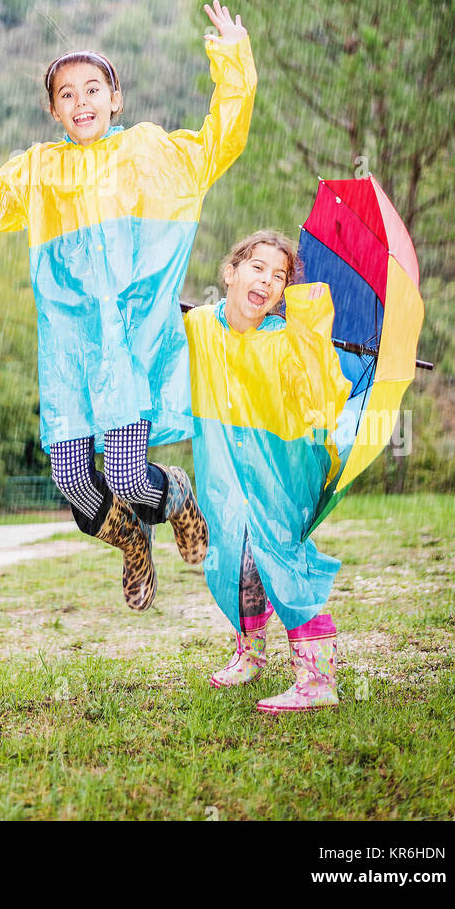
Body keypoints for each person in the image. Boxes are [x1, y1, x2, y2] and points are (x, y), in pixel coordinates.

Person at [0, 1, 256, 611]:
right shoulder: (36, 170)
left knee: (134, 477)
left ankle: (177, 494)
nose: (80, 102)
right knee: (77, 485)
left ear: (116, 98)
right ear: (52, 109)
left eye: (92, 89)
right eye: (66, 94)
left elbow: (219, 143)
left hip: (129, 345)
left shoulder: (148, 152)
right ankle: (134, 543)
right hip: (68, 350)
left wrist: (233, 59)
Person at [184, 232, 352, 711]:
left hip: (282, 466)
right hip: (225, 465)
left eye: (279, 276)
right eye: (258, 267)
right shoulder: (199, 326)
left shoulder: (285, 342)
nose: (268, 280)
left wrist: (311, 327)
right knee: (236, 556)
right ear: (230, 273)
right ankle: (250, 653)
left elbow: (321, 396)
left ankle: (317, 679)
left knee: (280, 554)